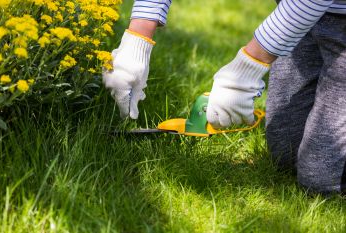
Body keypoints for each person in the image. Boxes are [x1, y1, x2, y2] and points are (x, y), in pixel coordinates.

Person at [103, 0, 346, 194]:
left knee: (321, 178)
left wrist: (247, 68)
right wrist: (137, 39)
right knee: (285, 154)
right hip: (302, 19)